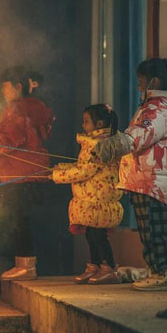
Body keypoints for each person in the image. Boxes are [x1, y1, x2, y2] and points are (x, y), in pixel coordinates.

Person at [91, 57, 167, 291]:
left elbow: (139, 136)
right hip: (145, 178)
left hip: (152, 179)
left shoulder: (159, 108)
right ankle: (159, 270)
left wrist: (113, 146)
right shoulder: (156, 106)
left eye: (141, 82)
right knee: (149, 228)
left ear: (154, 81)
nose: (139, 86)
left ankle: (161, 273)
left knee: (153, 229)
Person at [0, 66, 55, 280]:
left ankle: (25, 265)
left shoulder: (17, 110)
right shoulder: (34, 108)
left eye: (5, 87)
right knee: (22, 219)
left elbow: (8, 140)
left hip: (19, 174)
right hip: (31, 173)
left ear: (18, 87)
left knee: (19, 220)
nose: (3, 92)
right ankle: (25, 264)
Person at [51, 104, 123, 284]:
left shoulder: (100, 145)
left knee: (98, 236)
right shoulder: (93, 142)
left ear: (99, 123)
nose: (83, 125)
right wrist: (60, 169)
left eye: (86, 121)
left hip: (100, 197)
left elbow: (85, 170)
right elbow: (82, 167)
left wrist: (56, 176)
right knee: (91, 234)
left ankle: (109, 268)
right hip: (93, 197)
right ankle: (95, 266)